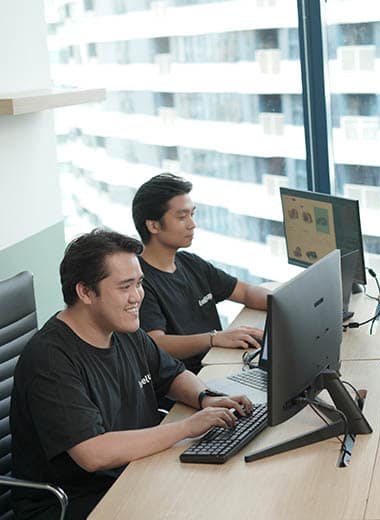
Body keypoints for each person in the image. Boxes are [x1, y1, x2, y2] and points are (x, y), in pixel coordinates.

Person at [10, 229, 252, 519]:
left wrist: (205, 398)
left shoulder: (125, 329)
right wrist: (187, 427)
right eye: (125, 287)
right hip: (78, 501)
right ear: (85, 292)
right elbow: (93, 454)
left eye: (139, 284)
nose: (137, 296)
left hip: (136, 470)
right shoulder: (51, 359)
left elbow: (171, 375)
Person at [132, 173, 270, 373]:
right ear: (153, 225)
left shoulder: (191, 263)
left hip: (222, 361)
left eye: (192, 214)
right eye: (181, 217)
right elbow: (156, 343)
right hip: (192, 378)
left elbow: (245, 292)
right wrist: (214, 338)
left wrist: (283, 304)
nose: (192, 224)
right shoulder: (139, 282)